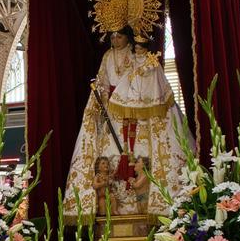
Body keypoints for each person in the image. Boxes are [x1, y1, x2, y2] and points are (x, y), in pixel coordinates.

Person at [62, 16, 189, 217]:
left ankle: (143, 203)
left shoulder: (136, 55)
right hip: (113, 111)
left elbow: (142, 82)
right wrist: (102, 98)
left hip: (135, 111)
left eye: (119, 36)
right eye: (112, 36)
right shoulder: (107, 57)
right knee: (110, 152)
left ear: (128, 38)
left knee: (139, 149)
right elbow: (103, 81)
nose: (115, 40)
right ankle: (114, 209)